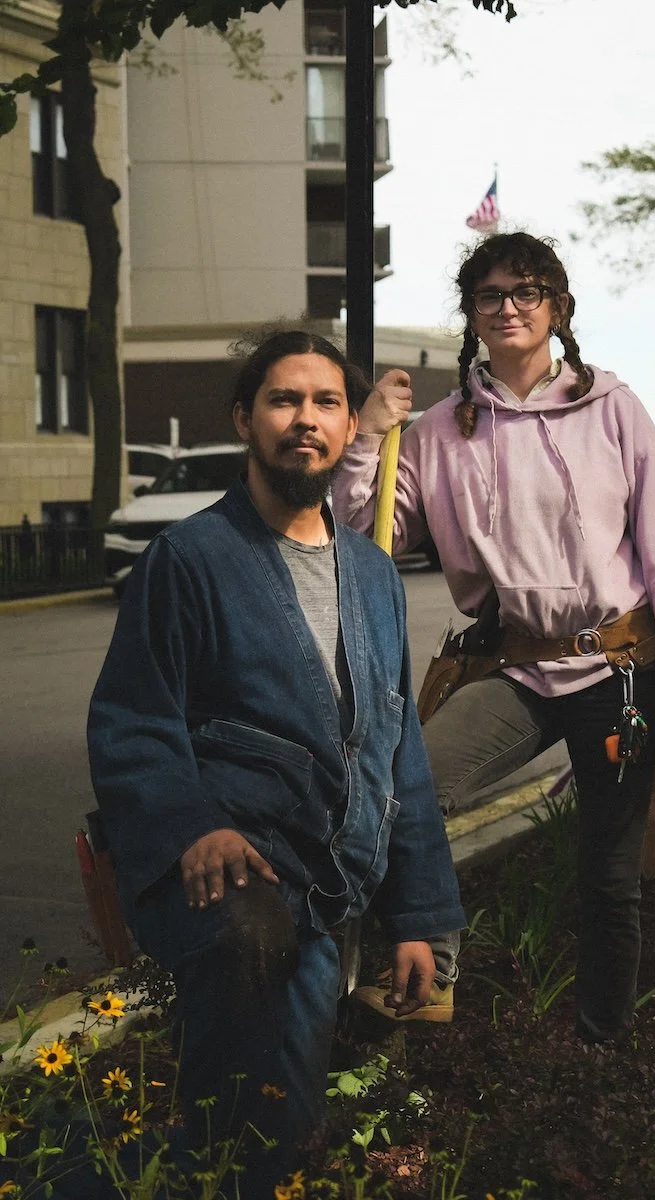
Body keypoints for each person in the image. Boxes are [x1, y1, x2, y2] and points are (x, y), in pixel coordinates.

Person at [87, 330, 465, 1193]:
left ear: (347, 424)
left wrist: (420, 916)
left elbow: (397, 750)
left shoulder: (372, 574)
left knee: (353, 1112)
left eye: (326, 402)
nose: (306, 420)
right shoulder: (190, 561)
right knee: (263, 1110)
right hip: (238, 877)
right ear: (244, 421)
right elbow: (135, 721)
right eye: (284, 400)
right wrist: (196, 827)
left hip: (344, 871)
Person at [331, 232, 655, 1044]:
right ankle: (427, 974)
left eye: (526, 292)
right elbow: (368, 536)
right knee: (413, 793)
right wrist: (366, 438)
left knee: (610, 877)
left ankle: (600, 1048)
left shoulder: (611, 407)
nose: (507, 307)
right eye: (489, 296)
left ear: (559, 309)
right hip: (517, 668)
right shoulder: (437, 429)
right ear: (471, 315)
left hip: (620, 671)